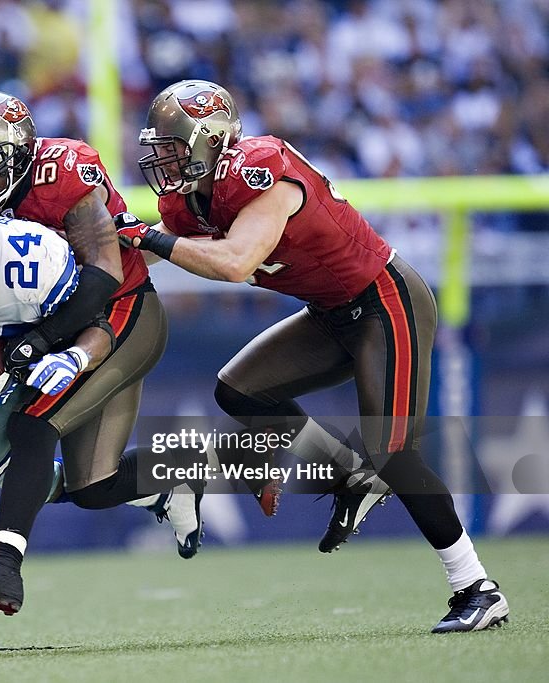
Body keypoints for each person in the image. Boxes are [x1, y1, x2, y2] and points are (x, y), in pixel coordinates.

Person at [118, 79, 509, 633]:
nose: (167, 159)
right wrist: (90, 255)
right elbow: (149, 249)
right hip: (329, 310)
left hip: (382, 298)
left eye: (177, 145)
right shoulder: (188, 199)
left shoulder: (258, 168)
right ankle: (348, 473)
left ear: (211, 139)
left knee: (393, 451)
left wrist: (146, 239)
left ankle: (477, 588)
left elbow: (234, 261)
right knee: (240, 389)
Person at [0, 213, 198, 657]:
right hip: (11, 371)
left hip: (69, 354)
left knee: (40, 470)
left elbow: (99, 324)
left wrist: (72, 358)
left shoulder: (31, 266)